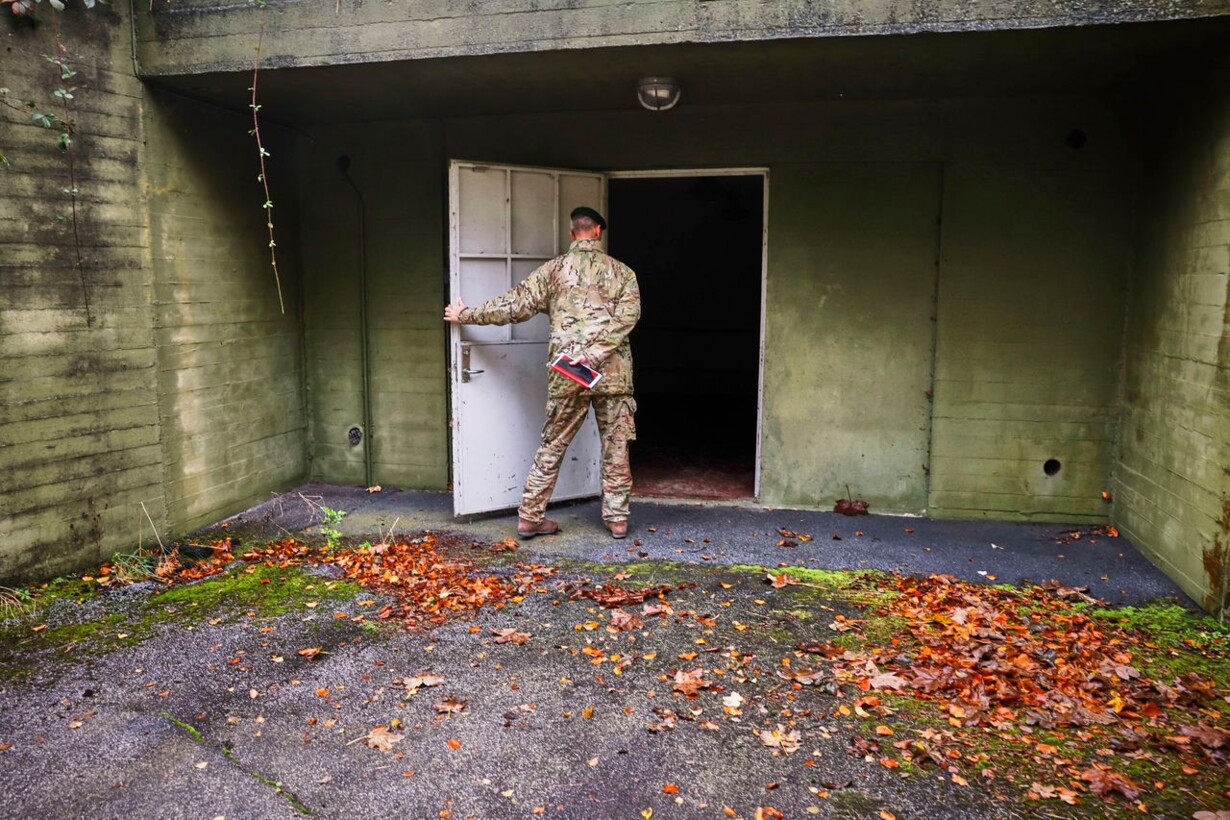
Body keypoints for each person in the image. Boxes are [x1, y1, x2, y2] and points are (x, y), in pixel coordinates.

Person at [443, 206, 641, 540]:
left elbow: (514, 306)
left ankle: (530, 517)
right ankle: (617, 520)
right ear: (598, 233)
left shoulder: (552, 272)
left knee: (552, 444)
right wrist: (595, 354)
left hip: (568, 373)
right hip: (612, 375)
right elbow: (628, 318)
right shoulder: (623, 273)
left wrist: (467, 314)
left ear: (572, 233)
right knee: (616, 446)